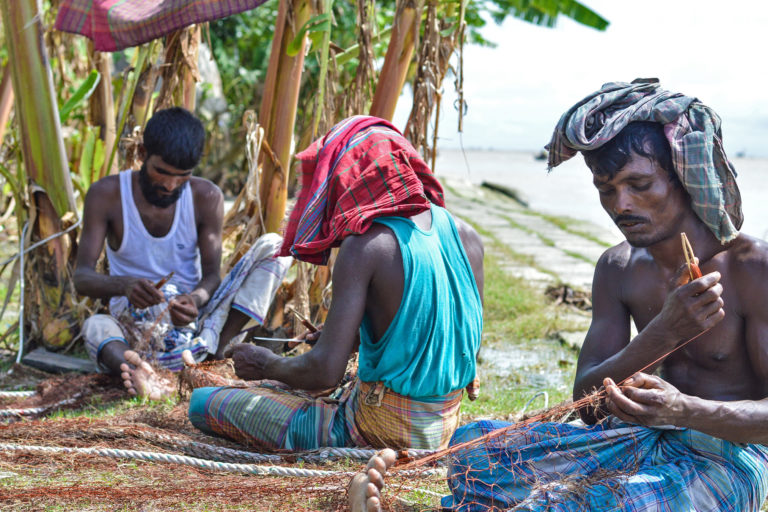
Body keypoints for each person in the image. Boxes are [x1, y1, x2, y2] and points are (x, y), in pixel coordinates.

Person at [348, 80, 768, 511]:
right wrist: (662, 333)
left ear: (681, 178)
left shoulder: (752, 268)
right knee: (475, 450)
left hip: (731, 457)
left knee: (605, 502)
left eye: (639, 184)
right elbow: (586, 403)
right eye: (606, 189)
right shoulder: (619, 268)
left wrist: (684, 411)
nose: (620, 204)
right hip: (642, 438)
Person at [187, 115, 484, 451]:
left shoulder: (367, 246)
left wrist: (264, 364)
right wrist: (355, 337)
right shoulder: (467, 237)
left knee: (204, 403)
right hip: (443, 425)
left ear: (353, 179)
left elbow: (324, 373)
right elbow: (453, 339)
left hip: (377, 430)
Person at [74, 107, 291, 400]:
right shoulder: (107, 194)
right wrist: (124, 285)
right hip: (132, 330)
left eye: (182, 177)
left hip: (196, 326)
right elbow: (82, 277)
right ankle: (136, 370)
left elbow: (212, 276)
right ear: (141, 152)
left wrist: (195, 300)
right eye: (161, 172)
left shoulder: (206, 197)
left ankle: (216, 356)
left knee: (277, 246)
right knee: (96, 326)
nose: (169, 185)